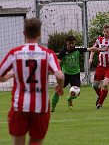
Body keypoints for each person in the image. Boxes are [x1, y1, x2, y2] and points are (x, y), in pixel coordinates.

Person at [0, 17, 64, 145]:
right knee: (36, 142)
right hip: (41, 108)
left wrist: (11, 75)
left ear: (24, 33)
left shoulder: (15, 53)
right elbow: (60, 75)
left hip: (20, 106)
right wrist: (59, 86)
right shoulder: (48, 53)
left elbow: (0, 75)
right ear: (40, 34)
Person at [51, 35, 108, 112]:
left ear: (74, 43)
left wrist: (103, 49)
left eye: (73, 43)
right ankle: (52, 108)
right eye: (69, 43)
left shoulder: (78, 49)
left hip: (75, 75)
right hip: (65, 75)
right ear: (66, 43)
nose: (71, 45)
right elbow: (58, 62)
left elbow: (91, 49)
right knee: (58, 90)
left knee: (76, 92)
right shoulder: (63, 52)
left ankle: (69, 99)